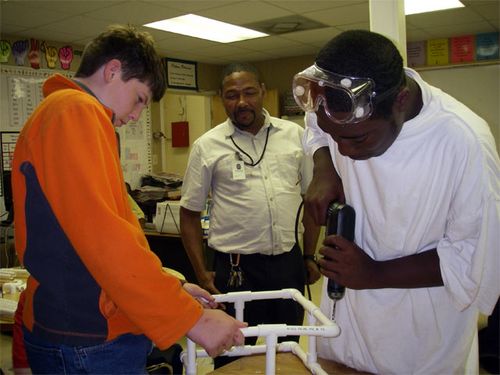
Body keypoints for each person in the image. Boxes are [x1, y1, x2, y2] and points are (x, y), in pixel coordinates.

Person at [11, 24, 245, 374]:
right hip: (89, 337)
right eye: (139, 99)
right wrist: (192, 320)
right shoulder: (75, 111)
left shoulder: (63, 114)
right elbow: (105, 240)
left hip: (81, 330)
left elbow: (104, 233)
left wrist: (173, 287)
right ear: (112, 70)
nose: (136, 116)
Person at [293, 29, 500, 374]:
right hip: (339, 334)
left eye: (357, 138)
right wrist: (324, 166)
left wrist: (374, 272)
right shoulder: (332, 104)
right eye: (336, 138)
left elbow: (473, 259)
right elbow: (315, 124)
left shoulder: (463, 141)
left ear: (400, 102)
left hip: (418, 349)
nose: (345, 150)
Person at [180, 62, 321, 366]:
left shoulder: (294, 135)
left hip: (287, 264)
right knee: (232, 355)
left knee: (286, 351)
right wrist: (202, 273)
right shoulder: (207, 146)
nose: (241, 102)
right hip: (235, 271)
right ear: (222, 98)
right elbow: (188, 213)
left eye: (248, 93)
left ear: (261, 92)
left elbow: (311, 201)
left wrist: (309, 255)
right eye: (232, 95)